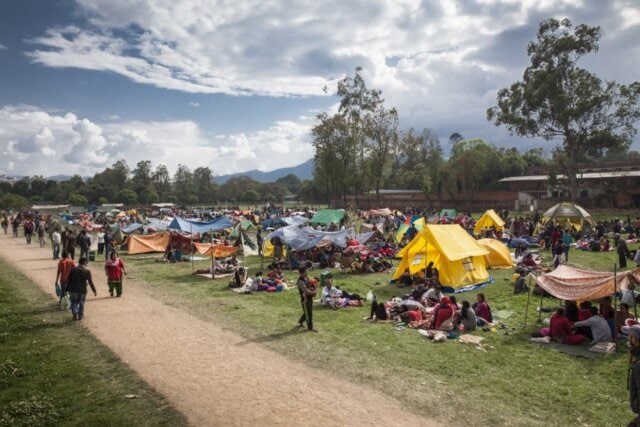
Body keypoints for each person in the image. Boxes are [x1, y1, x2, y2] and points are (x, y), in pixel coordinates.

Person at [296, 267, 317, 332]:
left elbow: (310, 286)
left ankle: (300, 321)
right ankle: (310, 327)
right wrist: (313, 293)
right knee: (309, 313)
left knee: (307, 312)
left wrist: (313, 288)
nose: (307, 273)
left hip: (309, 298)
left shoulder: (306, 278)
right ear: (302, 273)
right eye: (305, 272)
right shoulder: (300, 281)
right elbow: (306, 291)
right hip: (305, 300)